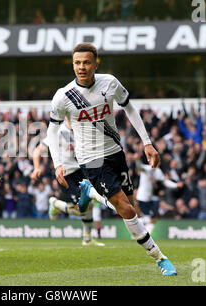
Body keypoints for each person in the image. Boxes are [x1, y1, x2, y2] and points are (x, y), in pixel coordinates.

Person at [46, 43, 177, 275]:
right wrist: (57, 163)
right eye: (77, 63)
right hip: (91, 159)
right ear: (73, 64)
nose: (82, 67)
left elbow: (130, 109)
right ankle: (160, 258)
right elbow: (52, 131)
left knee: (131, 206)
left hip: (116, 153)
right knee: (125, 209)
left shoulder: (110, 82)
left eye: (86, 62)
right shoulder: (63, 96)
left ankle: (90, 194)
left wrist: (147, 142)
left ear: (96, 63)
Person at [31, 118, 116, 246]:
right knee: (79, 209)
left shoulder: (81, 129)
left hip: (81, 171)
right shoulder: (58, 131)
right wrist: (36, 168)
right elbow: (37, 151)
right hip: (66, 175)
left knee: (89, 203)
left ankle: (87, 239)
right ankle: (54, 203)